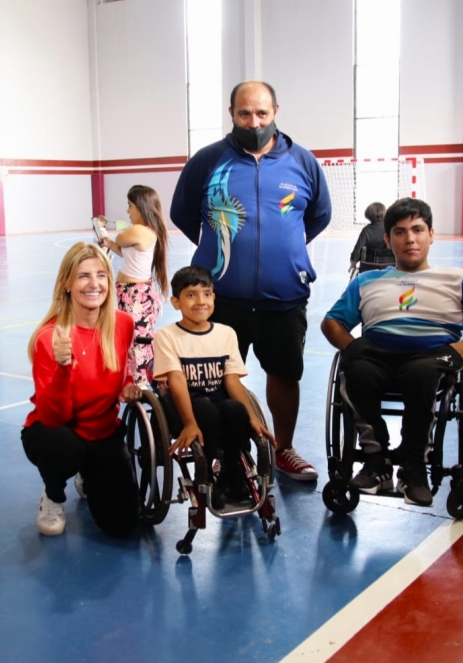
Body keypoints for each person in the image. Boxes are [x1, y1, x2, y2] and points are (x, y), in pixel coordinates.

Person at [170, 80, 331, 481]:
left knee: (285, 374)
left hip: (284, 296)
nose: (254, 121)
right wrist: (218, 250)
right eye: (245, 113)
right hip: (222, 299)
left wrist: (286, 249)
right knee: (218, 381)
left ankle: (285, 449)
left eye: (261, 113)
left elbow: (319, 216)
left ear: (276, 110)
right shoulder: (208, 161)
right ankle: (229, 452)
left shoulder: (303, 162)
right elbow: (183, 213)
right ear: (232, 115)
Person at [321, 198, 463, 505]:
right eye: (400, 232)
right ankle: (376, 459)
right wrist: (352, 346)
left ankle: (413, 465)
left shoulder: (457, 279)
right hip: (377, 352)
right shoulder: (367, 281)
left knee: (423, 374)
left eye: (418, 230)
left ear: (431, 234)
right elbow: (332, 322)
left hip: (431, 355)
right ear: (388, 239)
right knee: (354, 367)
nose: (410, 239)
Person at [21, 242, 143, 537]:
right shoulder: (50, 336)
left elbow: (123, 366)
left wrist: (128, 382)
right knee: (64, 448)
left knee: (123, 525)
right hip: (57, 432)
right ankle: (53, 493)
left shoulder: (123, 323)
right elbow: (53, 417)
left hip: (103, 432)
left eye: (101, 275)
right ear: (66, 283)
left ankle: (87, 473)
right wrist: (63, 367)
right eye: (83, 276)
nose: (94, 284)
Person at [152, 266, 275, 508]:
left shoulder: (226, 333)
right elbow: (176, 380)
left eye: (207, 294)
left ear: (214, 298)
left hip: (216, 398)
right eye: (191, 295)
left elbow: (232, 381)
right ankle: (205, 474)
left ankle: (231, 469)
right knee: (207, 412)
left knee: (236, 411)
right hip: (185, 402)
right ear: (176, 302)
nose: (200, 301)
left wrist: (252, 417)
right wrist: (188, 423)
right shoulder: (167, 336)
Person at [102, 185, 170, 386]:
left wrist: (114, 236)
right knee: (133, 341)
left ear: (140, 206)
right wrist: (110, 245)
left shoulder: (139, 231)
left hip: (136, 297)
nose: (127, 211)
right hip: (131, 295)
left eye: (130, 205)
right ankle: (137, 380)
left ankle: (140, 384)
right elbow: (126, 253)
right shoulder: (144, 232)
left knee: (138, 344)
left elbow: (121, 238)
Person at [349, 202, 393, 273]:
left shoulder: (366, 230)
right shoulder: (390, 229)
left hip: (368, 269)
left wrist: (353, 263)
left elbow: (357, 250)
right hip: (390, 268)